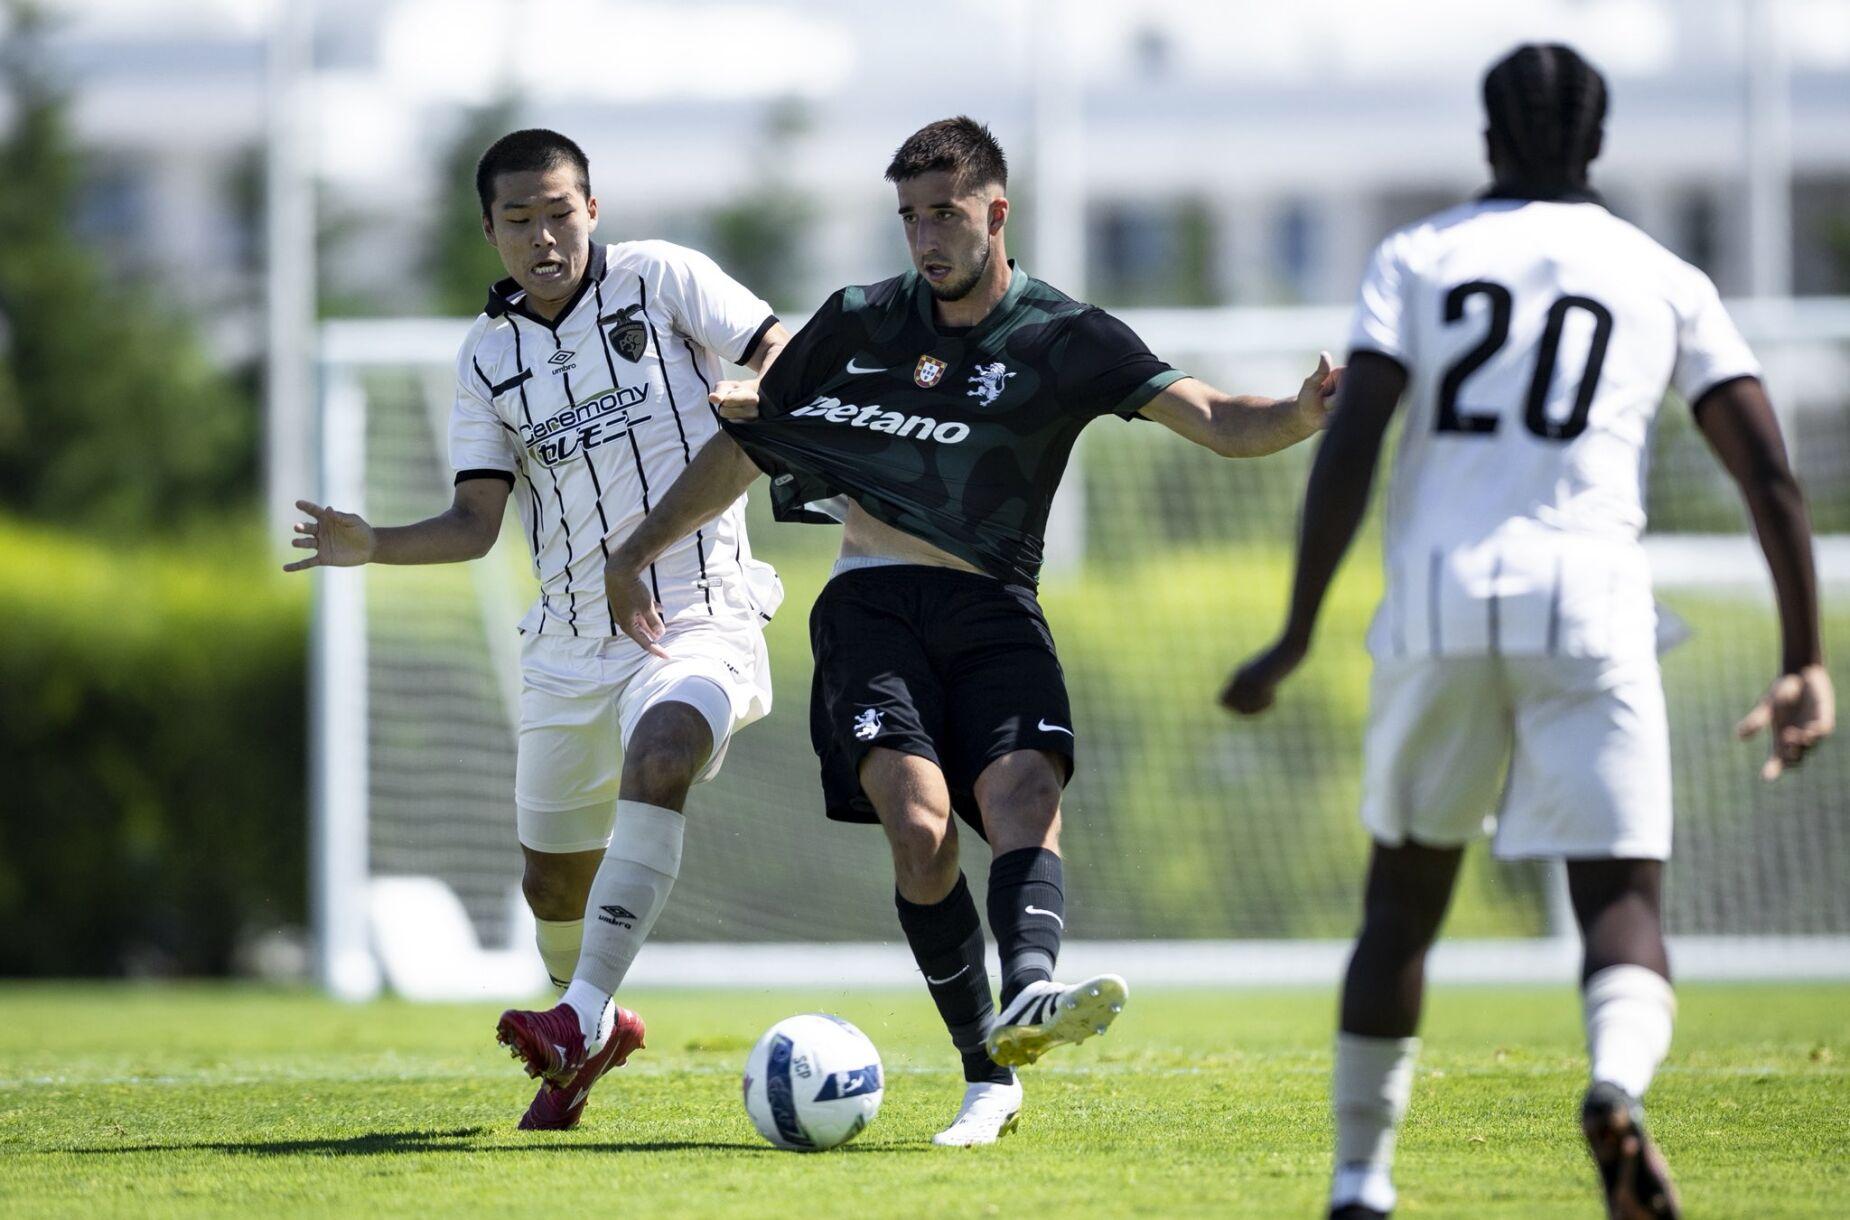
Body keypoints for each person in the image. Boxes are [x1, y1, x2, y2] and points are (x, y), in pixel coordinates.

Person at [601, 117, 1337, 1145]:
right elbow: (751, 445)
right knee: (921, 825)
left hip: (993, 605)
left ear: (996, 210)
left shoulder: (1064, 337)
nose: (925, 236)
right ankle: (984, 1072)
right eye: (909, 217)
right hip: (871, 604)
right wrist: (634, 546)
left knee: (1024, 791)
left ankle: (1029, 993)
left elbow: (1215, 416)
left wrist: (1301, 413)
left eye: (944, 212)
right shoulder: (856, 320)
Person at [1222, 45, 1834, 1220]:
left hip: (1439, 604)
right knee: (1622, 904)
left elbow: (1350, 438)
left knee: (1399, 905)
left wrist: (1295, 630)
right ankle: (1612, 1085)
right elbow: (1768, 473)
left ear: (1486, 137)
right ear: (1596, 144)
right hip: (1591, 604)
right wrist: (1801, 655)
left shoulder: (1417, 257)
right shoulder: (1662, 275)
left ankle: (1358, 1180)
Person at [286, 128, 791, 1130]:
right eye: (519, 219)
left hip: (698, 611)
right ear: (490, 229)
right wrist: (368, 541)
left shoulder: (661, 279)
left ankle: (576, 1014)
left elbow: (780, 345)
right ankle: (589, 1023)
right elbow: (476, 525)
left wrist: (766, 388)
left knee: (662, 751)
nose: (543, 235)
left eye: (560, 211)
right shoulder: (486, 356)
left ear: (591, 210)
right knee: (549, 880)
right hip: (564, 645)